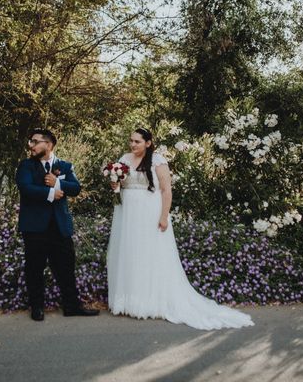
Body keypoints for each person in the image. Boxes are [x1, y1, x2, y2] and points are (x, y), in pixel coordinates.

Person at [106, 128, 254, 330]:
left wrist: (164, 216)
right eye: (131, 141)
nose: (133, 145)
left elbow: (166, 190)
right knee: (130, 253)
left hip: (149, 212)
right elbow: (119, 186)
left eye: (137, 142)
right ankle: (130, 301)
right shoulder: (124, 158)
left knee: (149, 255)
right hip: (127, 213)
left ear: (148, 143)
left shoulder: (158, 161)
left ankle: (150, 302)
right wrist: (114, 182)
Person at [16, 128, 100, 321]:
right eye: (31, 142)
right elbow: (26, 188)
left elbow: (76, 188)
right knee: (34, 268)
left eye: (35, 141)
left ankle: (72, 306)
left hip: (60, 226)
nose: (31, 145)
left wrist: (57, 183)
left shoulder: (65, 166)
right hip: (35, 227)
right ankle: (37, 307)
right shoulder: (26, 166)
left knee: (66, 267)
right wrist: (51, 193)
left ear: (49, 144)